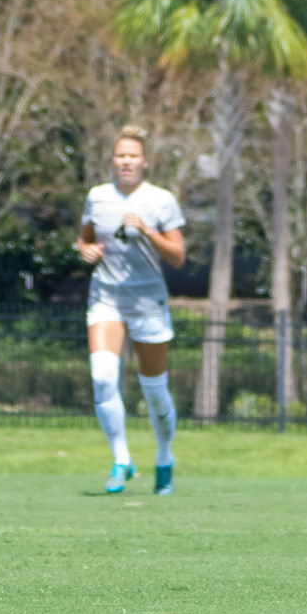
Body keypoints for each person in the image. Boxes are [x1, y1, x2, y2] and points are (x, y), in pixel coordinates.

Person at [75, 126, 187, 494]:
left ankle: (164, 457)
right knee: (103, 377)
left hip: (148, 303)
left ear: (145, 162)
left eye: (133, 156)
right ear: (113, 160)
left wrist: (148, 231)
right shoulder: (98, 196)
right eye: (120, 155)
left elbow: (177, 257)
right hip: (106, 299)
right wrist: (86, 250)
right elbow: (85, 238)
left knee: (154, 390)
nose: (126, 161)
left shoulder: (160, 200)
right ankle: (121, 459)